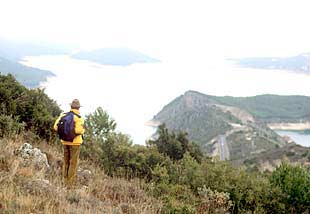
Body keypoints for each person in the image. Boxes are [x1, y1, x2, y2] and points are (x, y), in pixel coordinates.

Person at [53, 99, 85, 187]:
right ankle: (70, 185)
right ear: (78, 108)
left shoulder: (63, 115)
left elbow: (55, 127)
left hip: (64, 142)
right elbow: (78, 130)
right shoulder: (79, 118)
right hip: (75, 143)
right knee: (73, 163)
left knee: (66, 162)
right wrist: (83, 129)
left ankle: (64, 181)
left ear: (71, 106)